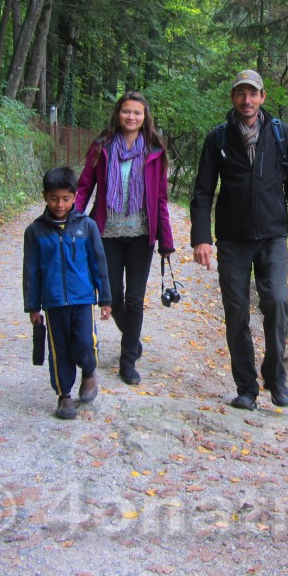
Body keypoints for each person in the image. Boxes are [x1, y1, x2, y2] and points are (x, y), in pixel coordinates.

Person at [190, 69, 288, 410]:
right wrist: (202, 237)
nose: (247, 100)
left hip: (273, 236)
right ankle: (246, 387)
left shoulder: (281, 135)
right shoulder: (217, 139)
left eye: (253, 94)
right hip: (233, 239)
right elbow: (202, 192)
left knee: (276, 301)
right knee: (236, 311)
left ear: (262, 97)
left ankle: (275, 378)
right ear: (233, 97)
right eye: (241, 93)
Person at [75, 92, 175, 386]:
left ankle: (128, 358)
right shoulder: (101, 147)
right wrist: (72, 221)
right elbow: (84, 187)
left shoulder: (154, 150)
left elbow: (160, 199)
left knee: (134, 299)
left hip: (142, 236)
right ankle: (132, 337)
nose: (131, 117)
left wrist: (166, 241)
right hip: (106, 233)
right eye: (126, 112)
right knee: (113, 297)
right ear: (118, 114)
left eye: (137, 113)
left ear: (146, 118)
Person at [24, 166, 113, 420]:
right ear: (45, 197)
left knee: (85, 344)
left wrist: (105, 298)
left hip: (82, 299)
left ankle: (88, 371)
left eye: (65, 198)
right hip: (53, 303)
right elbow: (31, 271)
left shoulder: (87, 227)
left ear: (74, 196)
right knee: (59, 349)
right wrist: (33, 306)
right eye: (54, 198)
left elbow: (99, 264)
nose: (59, 204)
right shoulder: (35, 232)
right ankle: (64, 396)